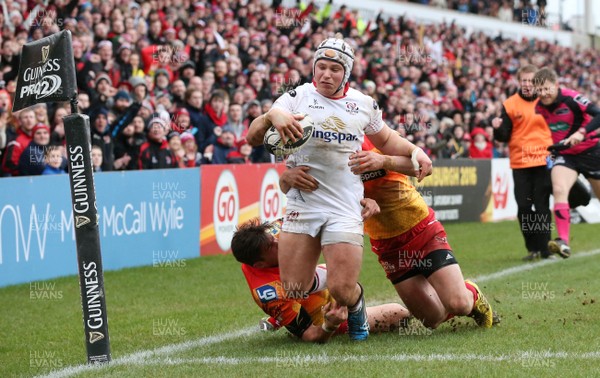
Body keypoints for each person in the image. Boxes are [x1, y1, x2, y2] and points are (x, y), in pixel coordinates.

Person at [246, 34, 432, 341]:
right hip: (303, 204)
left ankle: (355, 306)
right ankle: (333, 290)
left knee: (343, 290)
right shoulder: (296, 97)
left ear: (345, 72)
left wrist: (415, 151)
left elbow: (387, 140)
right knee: (294, 288)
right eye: (321, 67)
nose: (326, 74)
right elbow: (252, 137)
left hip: (344, 206)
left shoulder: (362, 105)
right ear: (313, 68)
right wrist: (270, 115)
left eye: (334, 69)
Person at [280, 139, 497, 330]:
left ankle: (472, 294)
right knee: (431, 319)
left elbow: (422, 167)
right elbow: (301, 192)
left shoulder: (373, 137)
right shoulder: (319, 156)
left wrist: (384, 161)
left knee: (458, 304)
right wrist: (286, 177)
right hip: (388, 246)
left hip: (421, 228)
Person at [231, 217, 411, 343]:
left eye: (273, 238)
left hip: (303, 283)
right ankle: (288, 315)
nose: (280, 242)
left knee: (338, 273)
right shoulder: (269, 292)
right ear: (260, 265)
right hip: (318, 315)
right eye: (272, 246)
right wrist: (329, 326)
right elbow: (309, 335)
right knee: (400, 314)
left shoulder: (276, 231)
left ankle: (279, 318)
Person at [533, 67, 600, 258]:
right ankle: (563, 241)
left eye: (547, 89)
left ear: (556, 85)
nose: (543, 94)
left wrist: (582, 133)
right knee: (559, 189)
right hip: (566, 155)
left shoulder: (573, 99)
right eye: (539, 90)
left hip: (591, 152)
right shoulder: (539, 107)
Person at [492, 64, 553, 261]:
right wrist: (497, 128)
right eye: (524, 80)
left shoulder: (547, 102)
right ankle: (532, 248)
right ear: (519, 82)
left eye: (531, 80)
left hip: (543, 162)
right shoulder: (510, 104)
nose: (527, 84)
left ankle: (545, 250)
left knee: (542, 206)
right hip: (520, 164)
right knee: (524, 208)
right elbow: (503, 136)